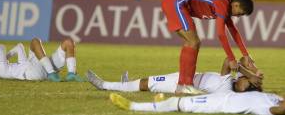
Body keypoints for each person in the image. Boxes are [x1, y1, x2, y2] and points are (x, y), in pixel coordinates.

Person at [161, 0, 261, 94]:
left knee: (191, 43)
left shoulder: (228, 1)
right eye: (240, 13)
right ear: (236, 5)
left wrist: (246, 55)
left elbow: (233, 30)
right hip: (176, 1)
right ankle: (185, 85)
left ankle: (182, 86)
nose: (238, 16)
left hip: (175, 0)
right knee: (193, 42)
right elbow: (221, 34)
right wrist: (231, 58)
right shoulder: (222, 2)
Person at [87, 57, 262, 94]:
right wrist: (251, 73)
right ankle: (126, 85)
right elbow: (240, 60)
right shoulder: (229, 81)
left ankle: (104, 85)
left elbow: (228, 61)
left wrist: (250, 75)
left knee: (145, 84)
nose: (243, 78)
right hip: (187, 77)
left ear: (243, 87)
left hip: (184, 85)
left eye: (245, 81)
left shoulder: (227, 89)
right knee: (149, 81)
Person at [110, 91, 285, 115]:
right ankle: (163, 104)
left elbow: (283, 112)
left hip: (218, 105)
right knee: (180, 102)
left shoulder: (272, 109)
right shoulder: (274, 97)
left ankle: (133, 107)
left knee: (179, 103)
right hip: (221, 96)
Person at [0, 37, 83, 82]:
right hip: (32, 72)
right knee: (35, 41)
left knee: (68, 42)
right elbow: (1, 48)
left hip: (37, 67)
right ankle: (51, 72)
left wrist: (7, 58)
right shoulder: (2, 71)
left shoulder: (16, 66)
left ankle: (71, 74)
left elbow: (19, 47)